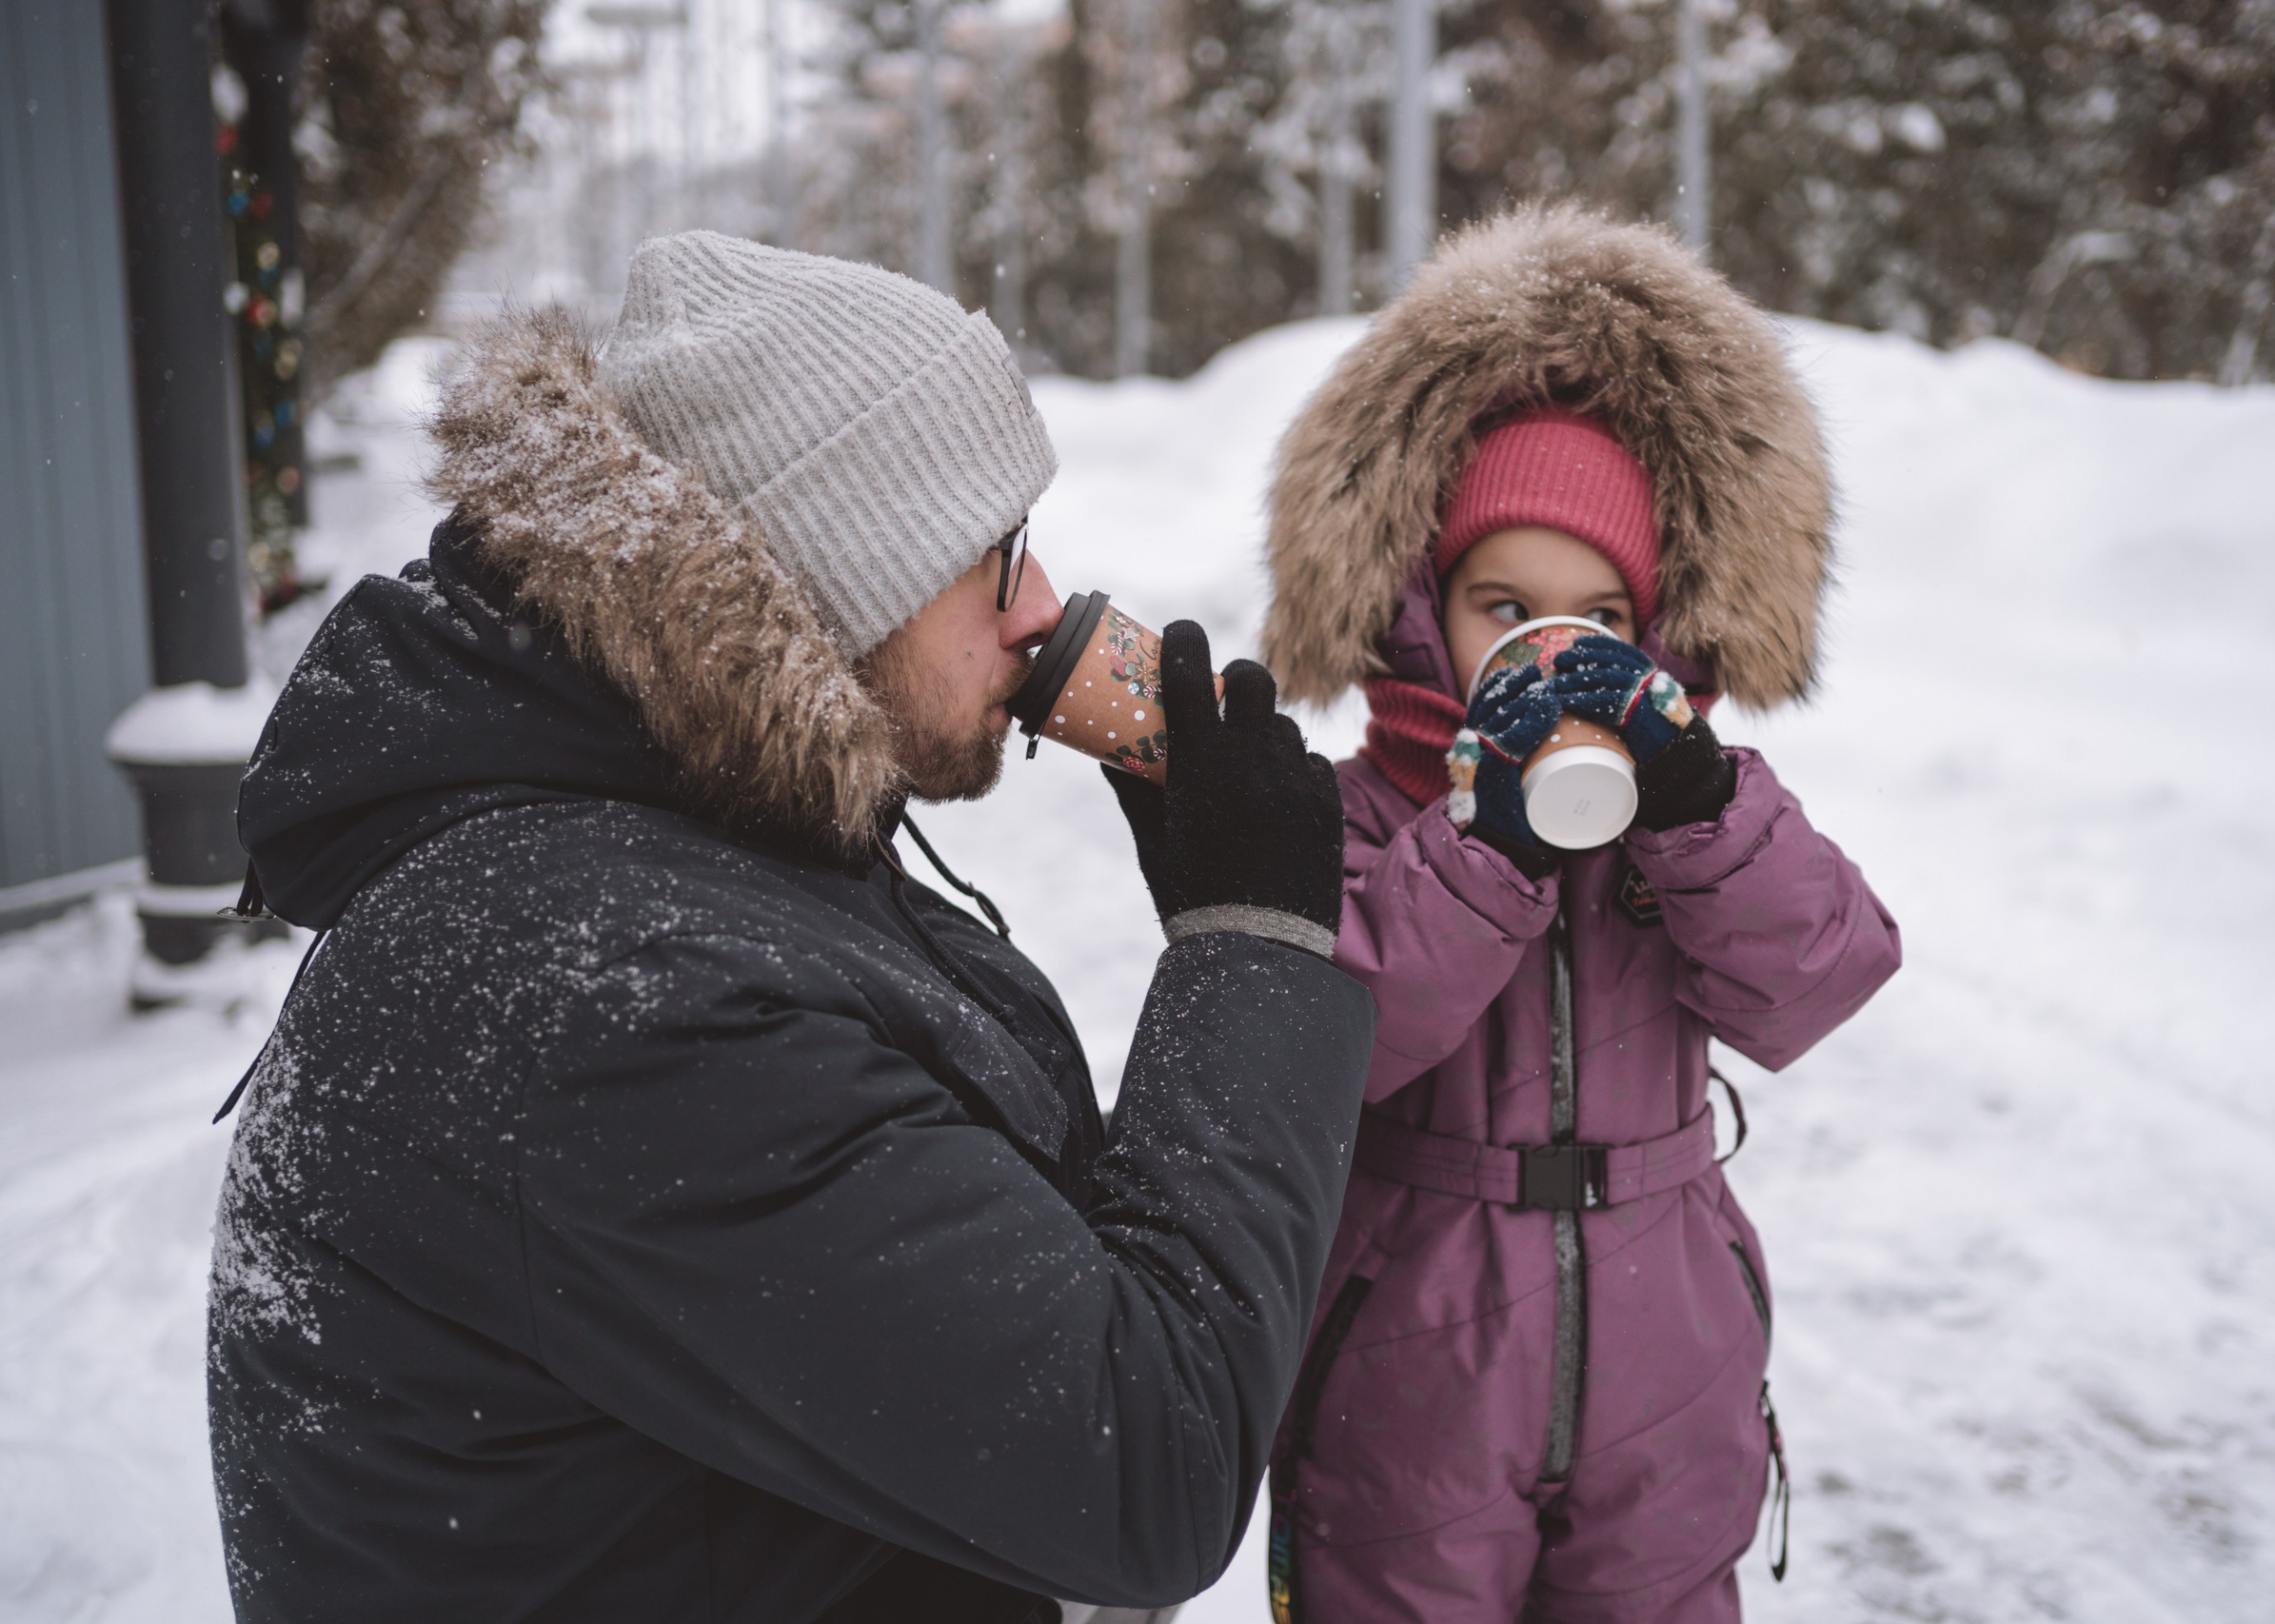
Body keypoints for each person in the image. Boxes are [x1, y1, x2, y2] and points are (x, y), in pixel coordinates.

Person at [208, 231, 1374, 1623]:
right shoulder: (617, 995)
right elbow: (1146, 1454)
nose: (1043, 606)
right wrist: (1249, 942)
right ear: (834, 574)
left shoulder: (669, 832)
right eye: (993, 553)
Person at [1255, 205, 1904, 1622]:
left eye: (1600, 616)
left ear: (1652, 628)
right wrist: (1483, 843)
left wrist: (1700, 805)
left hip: (1667, 1349)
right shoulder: (1356, 815)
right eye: (1505, 606)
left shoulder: (1687, 815)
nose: (1551, 650)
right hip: (1412, 1355)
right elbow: (1336, 1041)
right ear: (1424, 609)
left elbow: (1820, 974)